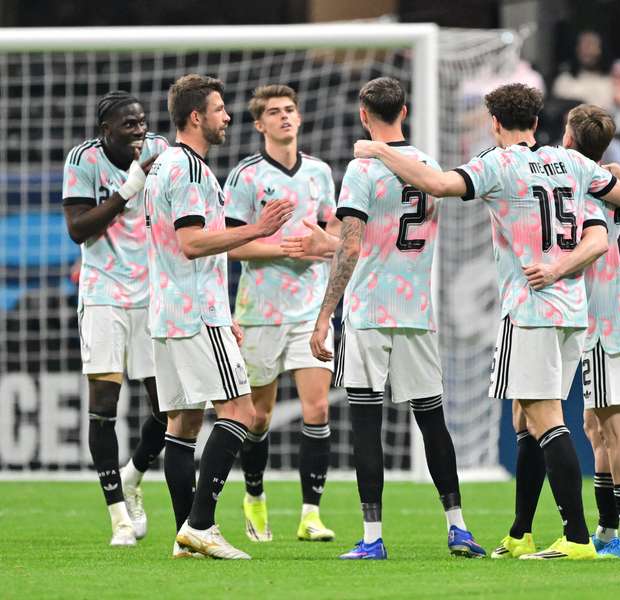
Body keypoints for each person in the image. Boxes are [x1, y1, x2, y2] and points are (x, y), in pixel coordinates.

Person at [354, 83, 620, 560]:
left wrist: (379, 150)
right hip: (573, 310)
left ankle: (575, 538)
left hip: (530, 307)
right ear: (536, 121)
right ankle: (521, 531)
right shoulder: (570, 161)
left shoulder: (498, 164)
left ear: (495, 122)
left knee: (545, 418)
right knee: (525, 418)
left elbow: (439, 184)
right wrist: (612, 173)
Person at [304, 77, 485, 560]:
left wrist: (325, 314)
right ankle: (458, 527)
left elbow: (351, 244)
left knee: (366, 424)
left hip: (368, 310)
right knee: (432, 421)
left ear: (365, 115)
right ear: (404, 111)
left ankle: (372, 538)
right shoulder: (426, 165)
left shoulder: (363, 168)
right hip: (416, 310)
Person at [142, 74, 293, 559]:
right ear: (195, 117)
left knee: (182, 425)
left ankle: (186, 537)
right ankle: (202, 524)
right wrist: (259, 228)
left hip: (167, 309)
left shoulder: (164, 164)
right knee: (243, 413)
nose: (227, 116)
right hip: (195, 311)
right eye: (219, 108)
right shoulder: (187, 168)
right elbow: (191, 243)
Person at [224, 84, 341, 544]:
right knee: (257, 416)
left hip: (310, 307)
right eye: (274, 112)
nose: (284, 117)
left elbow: (331, 230)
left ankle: (311, 515)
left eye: (290, 110)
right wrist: (279, 248)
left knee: (316, 409)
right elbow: (231, 244)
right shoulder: (246, 176)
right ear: (259, 124)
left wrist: (322, 246)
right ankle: (254, 496)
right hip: (260, 309)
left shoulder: (319, 172)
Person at [62, 91, 169, 547]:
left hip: (153, 296)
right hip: (104, 292)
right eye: (129, 125)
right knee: (104, 406)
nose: (140, 130)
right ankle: (119, 517)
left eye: (142, 122)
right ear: (106, 131)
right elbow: (78, 229)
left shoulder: (162, 152)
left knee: (168, 409)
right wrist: (128, 189)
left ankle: (133, 476)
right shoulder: (83, 160)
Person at [564, 104, 620, 560]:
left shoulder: (586, 193)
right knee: (596, 426)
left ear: (570, 141)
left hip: (605, 324)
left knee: (617, 430)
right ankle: (606, 529)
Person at [552, 30, 613, 110]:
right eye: (582, 43)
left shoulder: (610, 82)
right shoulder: (564, 80)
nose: (586, 48)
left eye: (591, 43)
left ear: (600, 49)